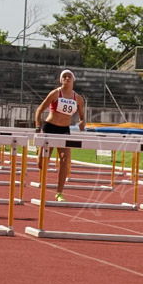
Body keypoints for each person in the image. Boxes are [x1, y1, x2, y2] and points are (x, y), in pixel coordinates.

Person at [34, 69, 86, 202]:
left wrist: (82, 123)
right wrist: (38, 127)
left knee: (65, 160)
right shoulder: (55, 93)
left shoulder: (78, 98)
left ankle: (59, 193)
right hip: (49, 128)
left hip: (64, 130)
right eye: (64, 77)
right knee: (41, 164)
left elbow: (82, 117)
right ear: (61, 80)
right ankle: (38, 152)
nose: (67, 79)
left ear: (73, 80)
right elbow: (40, 110)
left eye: (69, 77)